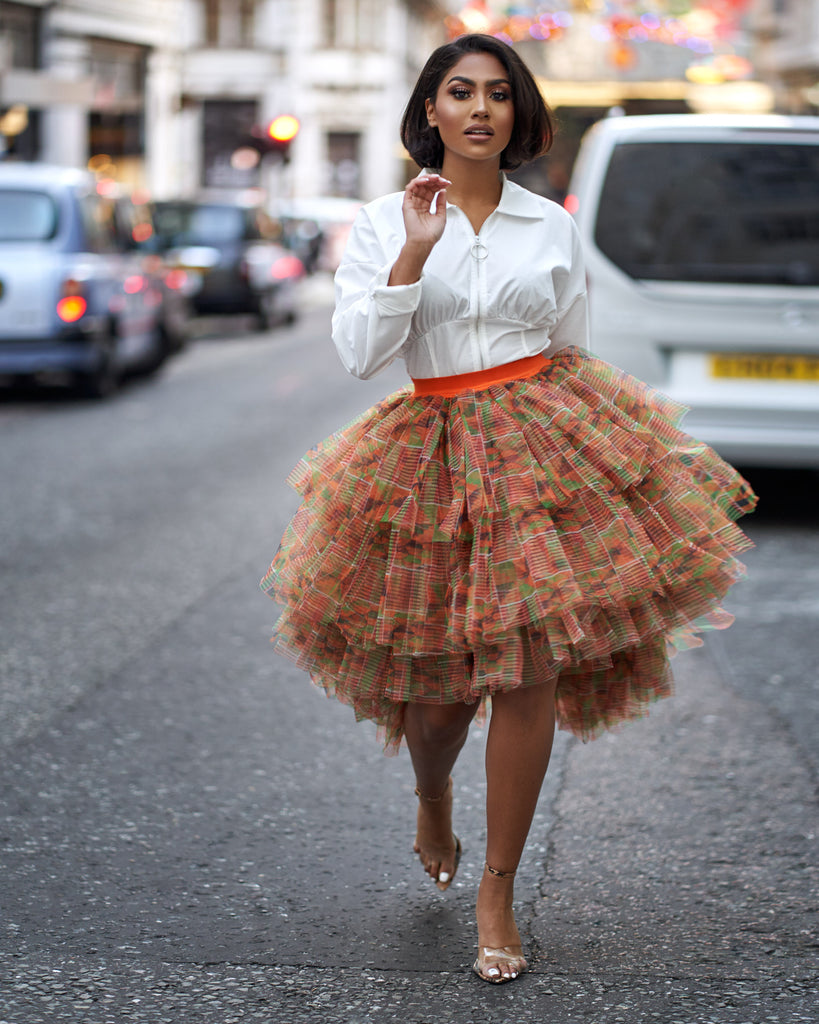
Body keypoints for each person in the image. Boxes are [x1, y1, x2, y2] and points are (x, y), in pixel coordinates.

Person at [260, 33, 756, 985]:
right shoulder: (380, 220)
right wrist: (413, 248)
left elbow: (571, 341)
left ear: (518, 115)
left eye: (496, 94)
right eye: (460, 93)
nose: (479, 109)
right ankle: (432, 789)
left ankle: (499, 889)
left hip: (537, 448)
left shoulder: (549, 223)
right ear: (431, 112)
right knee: (439, 697)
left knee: (529, 671)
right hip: (428, 452)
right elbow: (362, 352)